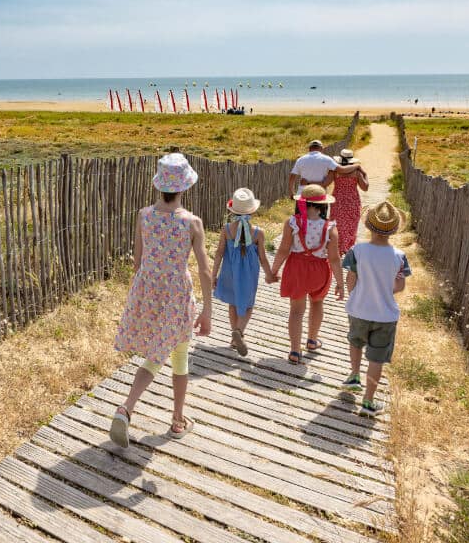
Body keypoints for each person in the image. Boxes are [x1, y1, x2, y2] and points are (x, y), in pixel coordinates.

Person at [110, 153, 213, 446]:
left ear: (159, 185)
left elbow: (138, 261)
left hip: (147, 292)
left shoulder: (144, 215)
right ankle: (173, 419)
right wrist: (207, 310)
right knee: (176, 356)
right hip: (177, 296)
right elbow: (204, 269)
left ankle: (126, 409)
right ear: (184, 188)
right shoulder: (192, 223)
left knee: (156, 352)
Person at [339, 201, 411, 417]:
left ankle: (353, 375)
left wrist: (358, 295)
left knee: (355, 342)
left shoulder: (357, 250)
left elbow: (351, 279)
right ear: (395, 230)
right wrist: (383, 288)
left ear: (368, 226)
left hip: (359, 310)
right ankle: (368, 401)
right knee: (376, 359)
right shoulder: (399, 256)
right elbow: (399, 286)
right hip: (385, 316)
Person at [268, 185, 343, 364]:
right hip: (319, 270)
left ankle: (295, 350)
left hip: (296, 268)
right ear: (323, 205)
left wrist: (273, 271)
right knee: (317, 303)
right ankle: (312, 340)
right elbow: (334, 258)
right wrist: (340, 283)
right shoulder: (330, 226)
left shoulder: (292, 223)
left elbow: (283, 250)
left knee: (296, 312)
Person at [211, 188, 272, 357]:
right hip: (249, 275)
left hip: (229, 272)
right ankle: (239, 331)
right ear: (252, 210)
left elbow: (219, 253)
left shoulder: (227, 229)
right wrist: (269, 274)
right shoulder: (258, 233)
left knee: (233, 302)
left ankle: (233, 336)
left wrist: (213, 275)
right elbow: (263, 258)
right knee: (248, 304)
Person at [289, 139, 360, 197]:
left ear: (309, 148)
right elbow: (342, 170)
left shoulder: (301, 159)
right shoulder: (327, 159)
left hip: (302, 194)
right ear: (321, 148)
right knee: (319, 214)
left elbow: (292, 177)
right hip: (319, 194)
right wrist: (356, 166)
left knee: (302, 214)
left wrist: (292, 193)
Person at [331, 148, 369, 254]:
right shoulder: (356, 172)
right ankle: (347, 247)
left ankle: (337, 247)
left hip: (337, 200)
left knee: (337, 224)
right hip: (352, 201)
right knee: (351, 225)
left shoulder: (335, 171)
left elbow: (325, 183)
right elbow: (365, 187)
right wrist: (365, 174)